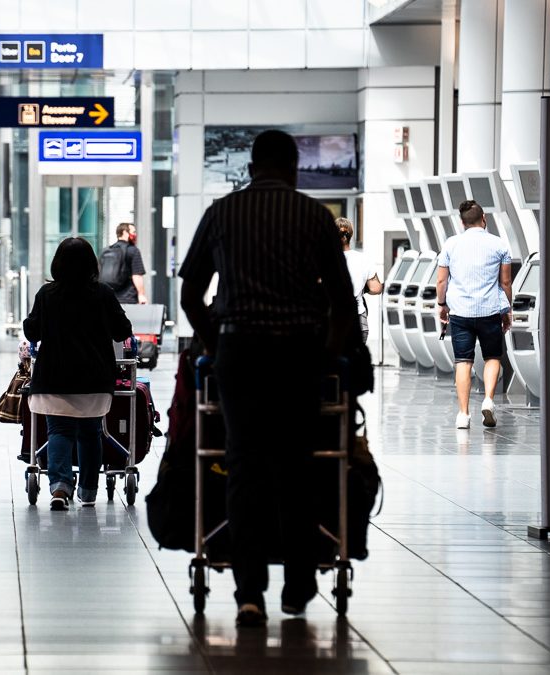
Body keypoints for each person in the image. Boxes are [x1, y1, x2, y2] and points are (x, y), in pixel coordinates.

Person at [179, 130, 355, 628]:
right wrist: (328, 356)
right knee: (297, 468)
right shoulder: (315, 219)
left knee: (245, 467)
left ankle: (249, 594)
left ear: (251, 167)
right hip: (300, 353)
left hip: (240, 352)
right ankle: (298, 588)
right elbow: (342, 302)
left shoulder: (221, 213)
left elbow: (192, 292)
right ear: (294, 167)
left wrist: (215, 345)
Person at [23, 237, 133, 510]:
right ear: (91, 264)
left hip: (54, 376)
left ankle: (59, 488)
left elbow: (31, 331)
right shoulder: (104, 294)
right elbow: (122, 330)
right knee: (90, 432)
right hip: (94, 379)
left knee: (58, 430)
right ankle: (88, 491)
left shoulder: (47, 295)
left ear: (57, 263)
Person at [436, 200, 513, 429]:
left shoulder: (451, 244)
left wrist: (442, 304)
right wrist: (506, 310)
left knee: (463, 361)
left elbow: (441, 280)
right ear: (484, 218)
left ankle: (463, 414)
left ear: (462, 222)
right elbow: (506, 282)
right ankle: (488, 400)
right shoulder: (499, 245)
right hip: (489, 310)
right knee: (492, 357)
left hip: (460, 312)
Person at [338, 217, 383, 343]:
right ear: (351, 235)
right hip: (358, 320)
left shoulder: (325, 258)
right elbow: (376, 288)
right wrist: (362, 289)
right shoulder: (363, 259)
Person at [100, 223, 148, 304]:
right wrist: (141, 295)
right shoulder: (133, 250)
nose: (135, 235)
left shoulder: (105, 251)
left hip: (108, 297)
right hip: (128, 298)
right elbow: (137, 275)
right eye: (133, 232)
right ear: (125, 232)